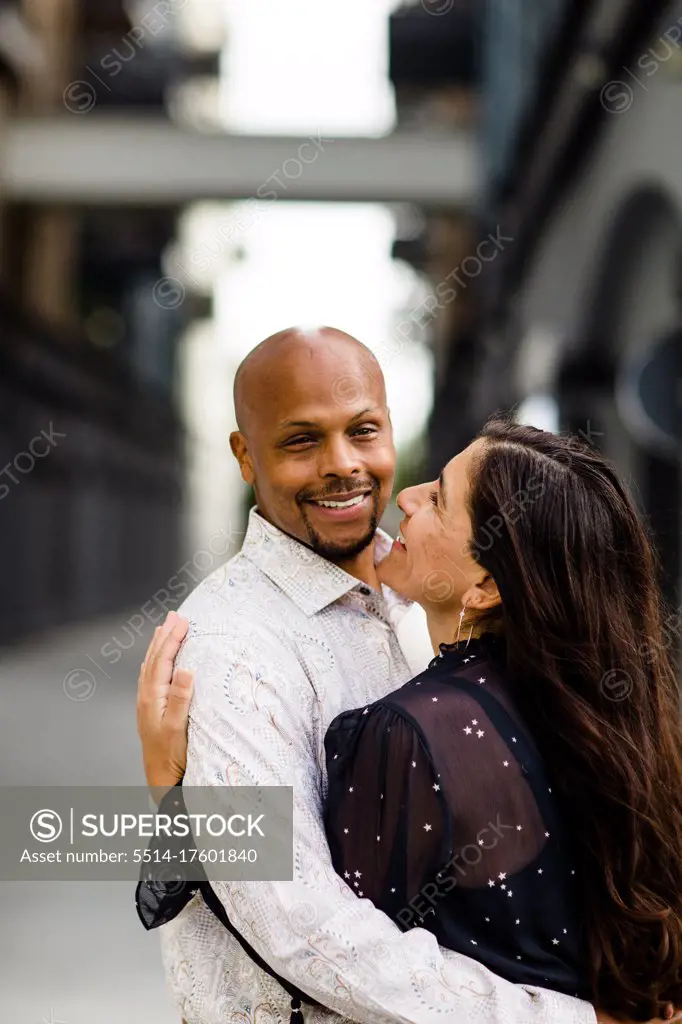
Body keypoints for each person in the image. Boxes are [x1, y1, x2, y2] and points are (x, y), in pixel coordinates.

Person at [135, 326, 673, 1024]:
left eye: (364, 430)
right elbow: (299, 924)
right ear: (244, 455)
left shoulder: (426, 587)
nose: (343, 465)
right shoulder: (233, 646)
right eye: (302, 441)